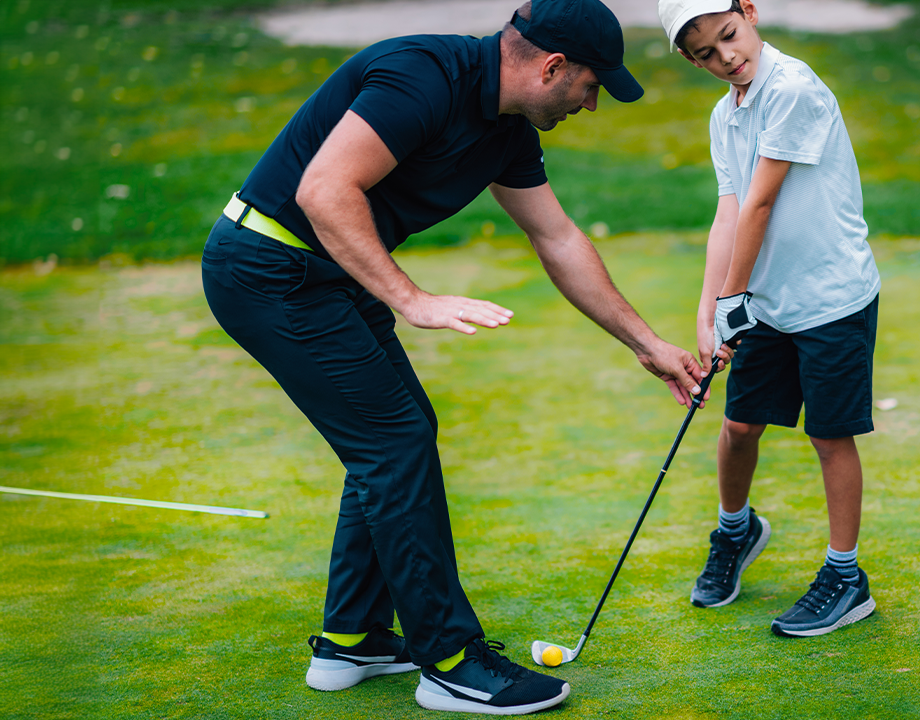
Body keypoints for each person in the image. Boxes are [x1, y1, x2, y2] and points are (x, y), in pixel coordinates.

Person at [201, 0, 709, 714]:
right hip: (269, 268)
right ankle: (447, 662)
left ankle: (352, 639)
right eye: (591, 86)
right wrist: (411, 299)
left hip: (329, 275)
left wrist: (647, 343)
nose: (591, 105)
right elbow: (323, 190)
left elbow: (559, 238)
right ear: (552, 67)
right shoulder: (423, 74)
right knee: (393, 442)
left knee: (398, 436)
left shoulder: (507, 131)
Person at [657, 0, 882, 637]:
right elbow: (728, 212)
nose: (726, 57)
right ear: (690, 60)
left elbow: (760, 204)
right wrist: (710, 309)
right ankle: (736, 530)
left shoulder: (792, 89)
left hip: (831, 296)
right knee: (739, 426)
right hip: (766, 302)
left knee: (829, 436)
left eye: (729, 35)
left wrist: (732, 300)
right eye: (706, 53)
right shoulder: (724, 113)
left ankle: (846, 576)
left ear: (749, 13)